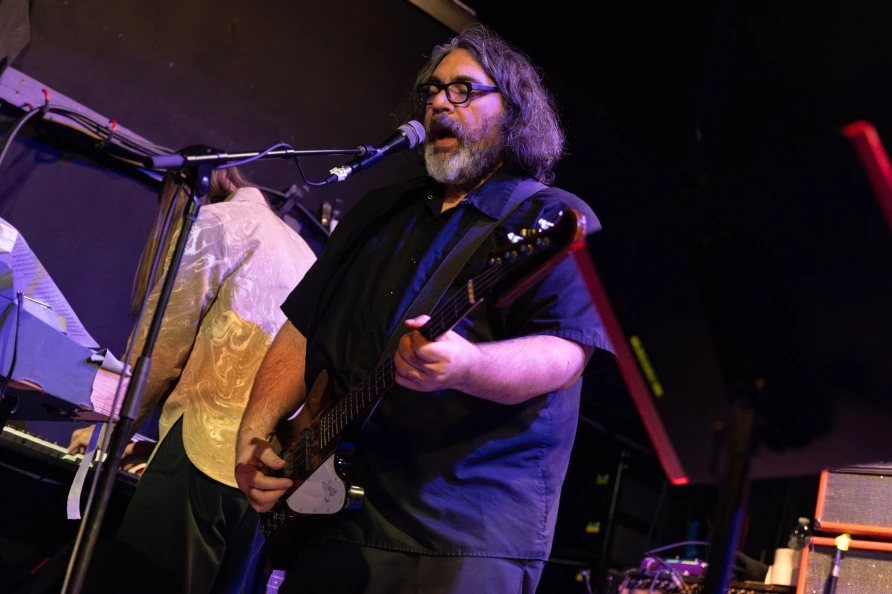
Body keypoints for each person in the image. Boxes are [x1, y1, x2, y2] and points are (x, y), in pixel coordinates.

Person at [234, 23, 614, 594]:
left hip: (458, 534)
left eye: (462, 90)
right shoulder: (380, 210)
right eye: (432, 90)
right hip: (331, 516)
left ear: (513, 112)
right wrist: (256, 437)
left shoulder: (552, 217)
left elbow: (564, 354)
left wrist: (467, 367)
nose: (439, 101)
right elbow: (303, 329)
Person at [68, 163, 317, 593]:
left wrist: (101, 427)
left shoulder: (216, 223)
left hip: (200, 457)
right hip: (266, 478)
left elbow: (158, 353)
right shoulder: (306, 253)